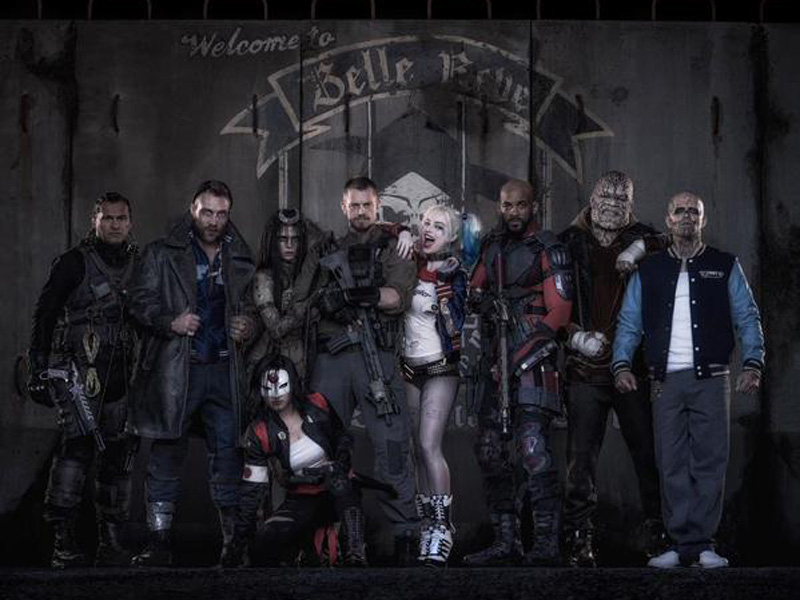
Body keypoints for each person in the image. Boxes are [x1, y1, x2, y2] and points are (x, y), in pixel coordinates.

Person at [612, 192, 765, 569]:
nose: (686, 217)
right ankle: (680, 545)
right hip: (664, 382)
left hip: (712, 379)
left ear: (702, 220)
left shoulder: (724, 265)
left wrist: (753, 363)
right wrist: (621, 364)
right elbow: (629, 322)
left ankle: (703, 544)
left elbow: (747, 317)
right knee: (671, 462)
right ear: (668, 219)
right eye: (679, 211)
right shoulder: (650, 270)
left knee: (710, 461)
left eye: (693, 212)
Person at [126, 180, 258, 566]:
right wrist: (171, 321)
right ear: (192, 210)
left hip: (225, 370)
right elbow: (137, 301)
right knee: (166, 455)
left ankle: (234, 547)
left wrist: (248, 325)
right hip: (178, 369)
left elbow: (253, 305)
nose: (213, 221)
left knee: (229, 456)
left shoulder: (240, 256)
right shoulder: (161, 253)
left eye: (221, 214)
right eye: (207, 212)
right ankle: (159, 544)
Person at [294, 176, 419, 564]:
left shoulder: (394, 246)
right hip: (332, 359)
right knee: (318, 448)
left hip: (375, 358)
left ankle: (406, 536)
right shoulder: (326, 249)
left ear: (378, 205)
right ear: (343, 207)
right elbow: (300, 299)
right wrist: (325, 299)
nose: (361, 211)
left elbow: (397, 297)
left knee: (393, 448)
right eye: (355, 205)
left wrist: (359, 294)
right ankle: (324, 538)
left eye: (367, 205)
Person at [558, 171, 667, 566]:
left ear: (631, 204)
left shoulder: (643, 237)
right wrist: (573, 336)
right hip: (584, 368)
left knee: (647, 453)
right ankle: (578, 536)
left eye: (622, 198)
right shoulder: (569, 242)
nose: (612, 204)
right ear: (592, 197)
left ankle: (658, 531)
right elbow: (548, 303)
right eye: (606, 196)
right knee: (580, 459)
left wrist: (640, 246)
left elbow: (675, 240)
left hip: (630, 367)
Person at [462, 179, 573, 566]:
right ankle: (505, 542)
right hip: (494, 362)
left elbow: (559, 314)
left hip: (533, 362)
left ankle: (545, 545)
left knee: (532, 449)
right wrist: (479, 302)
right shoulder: (492, 246)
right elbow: (473, 292)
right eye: (507, 206)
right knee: (489, 450)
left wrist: (518, 358)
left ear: (533, 207)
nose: (513, 212)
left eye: (520, 205)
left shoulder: (548, 248)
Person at [27, 192, 139, 568]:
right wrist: (37, 367)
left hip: (120, 373)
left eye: (121, 218)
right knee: (75, 452)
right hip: (77, 373)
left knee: (117, 458)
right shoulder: (74, 263)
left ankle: (110, 543)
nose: (115, 225)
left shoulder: (138, 264)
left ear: (130, 222)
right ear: (95, 220)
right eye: (107, 218)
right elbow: (45, 314)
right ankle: (63, 542)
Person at [223, 355, 367, 567]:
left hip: (337, 489)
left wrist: (340, 463)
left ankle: (355, 551)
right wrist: (238, 543)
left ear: (292, 384)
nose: (275, 396)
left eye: (282, 387)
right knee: (264, 543)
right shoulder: (260, 431)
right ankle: (307, 546)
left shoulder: (317, 403)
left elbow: (342, 436)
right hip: (302, 496)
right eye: (268, 389)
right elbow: (252, 491)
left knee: (341, 485)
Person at [249, 208, 413, 382]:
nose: (289, 245)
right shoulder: (264, 278)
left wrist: (401, 230)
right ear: (274, 242)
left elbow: (362, 227)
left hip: (305, 358)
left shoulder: (308, 268)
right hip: (272, 359)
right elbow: (276, 329)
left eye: (295, 239)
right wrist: (315, 302)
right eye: (283, 239)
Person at [402, 204, 467, 566]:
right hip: (408, 368)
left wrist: (440, 287)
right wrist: (400, 232)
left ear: (451, 236)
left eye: (439, 227)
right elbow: (383, 227)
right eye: (425, 223)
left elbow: (456, 323)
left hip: (440, 367)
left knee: (429, 445)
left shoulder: (455, 273)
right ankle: (426, 526)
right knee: (415, 449)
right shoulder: (407, 262)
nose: (428, 229)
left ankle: (443, 528)